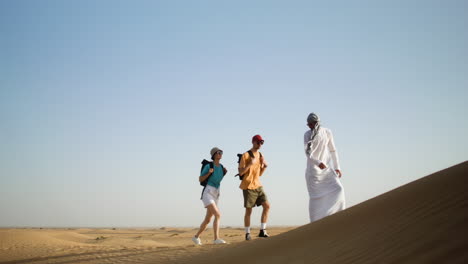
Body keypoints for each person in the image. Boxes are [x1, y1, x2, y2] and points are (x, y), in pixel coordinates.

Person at [304, 113, 345, 222]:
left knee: (338, 189)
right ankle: (315, 223)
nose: (309, 126)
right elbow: (308, 153)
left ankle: (339, 217)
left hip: (326, 170)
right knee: (315, 199)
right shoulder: (307, 135)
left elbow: (333, 150)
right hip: (313, 172)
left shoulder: (327, 132)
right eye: (308, 124)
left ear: (316, 123)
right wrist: (318, 162)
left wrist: (337, 167)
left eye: (311, 124)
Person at [192, 147, 227, 245]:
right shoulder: (208, 165)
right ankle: (216, 239)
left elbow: (218, 180)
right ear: (214, 155)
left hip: (216, 193)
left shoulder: (222, 167)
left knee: (208, 219)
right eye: (218, 152)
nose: (220, 154)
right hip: (207, 192)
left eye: (221, 152)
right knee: (218, 215)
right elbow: (200, 179)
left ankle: (196, 237)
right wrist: (209, 173)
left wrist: (224, 172)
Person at [238, 135, 271, 240]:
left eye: (262, 142)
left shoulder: (260, 155)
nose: (260, 144)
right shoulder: (246, 155)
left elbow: (259, 174)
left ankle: (262, 231)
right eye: (258, 142)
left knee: (267, 206)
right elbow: (240, 173)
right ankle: (247, 234)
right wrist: (250, 164)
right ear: (253, 142)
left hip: (258, 185)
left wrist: (264, 167)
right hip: (248, 186)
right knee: (249, 211)